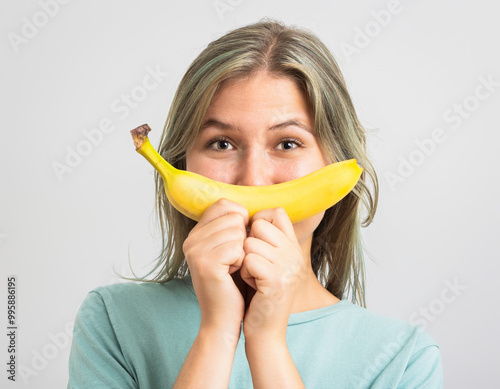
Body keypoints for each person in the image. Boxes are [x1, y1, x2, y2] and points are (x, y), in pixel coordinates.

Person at [67, 18, 443, 388]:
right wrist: (217, 332)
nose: (253, 179)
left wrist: (267, 345)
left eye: (287, 144)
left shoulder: (403, 360)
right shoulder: (114, 321)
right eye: (221, 144)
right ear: (184, 164)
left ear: (335, 166)